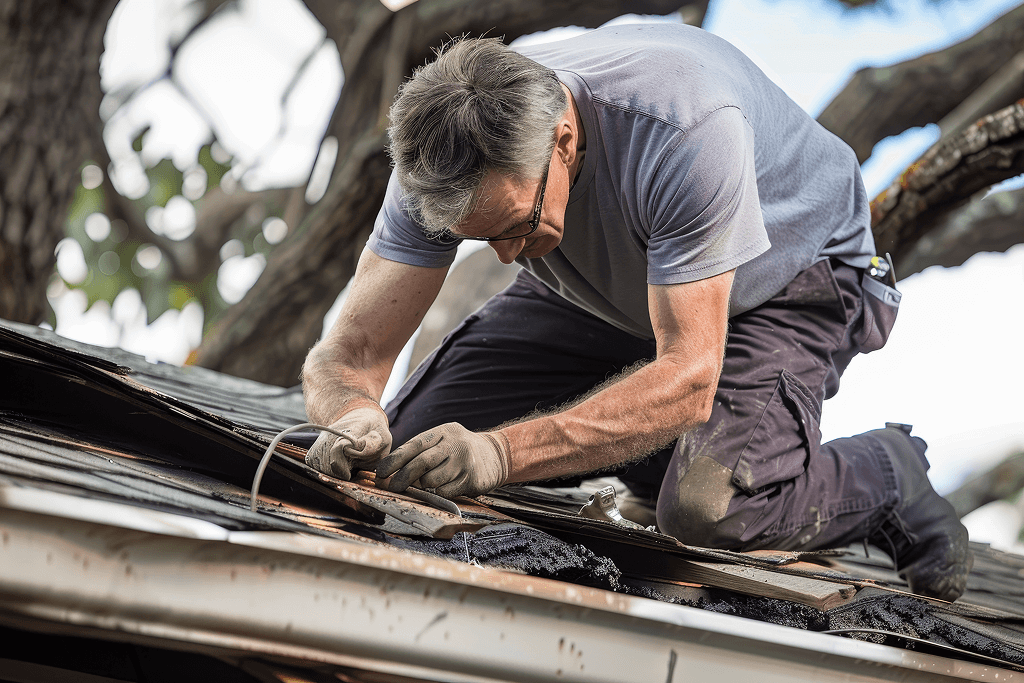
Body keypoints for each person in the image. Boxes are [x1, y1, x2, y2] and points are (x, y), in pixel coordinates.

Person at [301, 25, 971, 601]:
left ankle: (885, 472)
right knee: (411, 458)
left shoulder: (684, 127)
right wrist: (354, 412)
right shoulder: (440, 153)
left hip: (783, 283)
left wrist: (500, 452)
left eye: (516, 225)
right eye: (480, 237)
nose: (505, 259)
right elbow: (351, 355)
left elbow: (688, 376)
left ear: (564, 141)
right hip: (619, 287)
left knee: (707, 509)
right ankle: (654, 453)